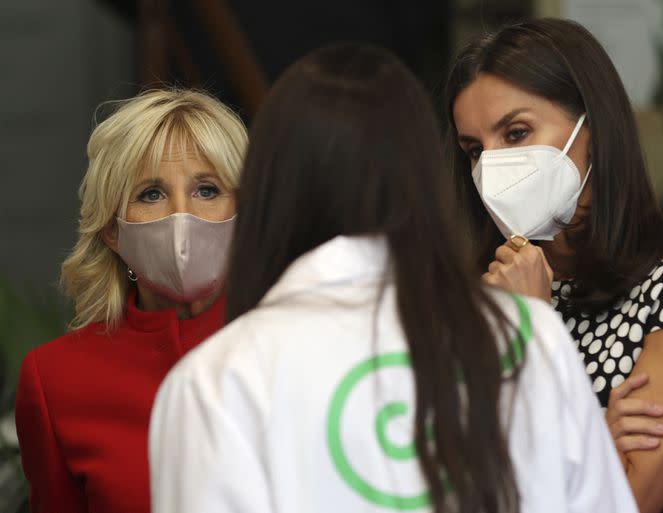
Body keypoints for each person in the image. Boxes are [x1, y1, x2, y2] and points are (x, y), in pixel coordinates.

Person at [148, 43, 637, 513]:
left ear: (269, 189)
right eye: (472, 150)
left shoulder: (215, 378)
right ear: (423, 178)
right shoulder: (530, 335)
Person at [445, 18, 663, 513]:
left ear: (593, 126)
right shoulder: (480, 295)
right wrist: (596, 440)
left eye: (517, 132)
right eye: (475, 150)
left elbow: (627, 500)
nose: (491, 168)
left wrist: (535, 330)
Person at [14, 88, 248, 513]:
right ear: (112, 230)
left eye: (208, 189)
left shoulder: (291, 349)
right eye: (151, 194)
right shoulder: (57, 380)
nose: (182, 214)